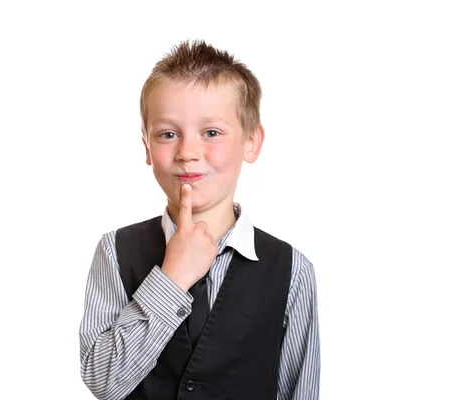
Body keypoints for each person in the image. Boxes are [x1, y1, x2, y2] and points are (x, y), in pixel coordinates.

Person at [79, 39, 319, 400]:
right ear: (147, 146)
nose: (188, 153)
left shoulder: (292, 269)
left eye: (211, 133)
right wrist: (171, 279)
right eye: (168, 134)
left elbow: (299, 390)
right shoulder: (115, 251)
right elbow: (104, 382)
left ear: (252, 142)